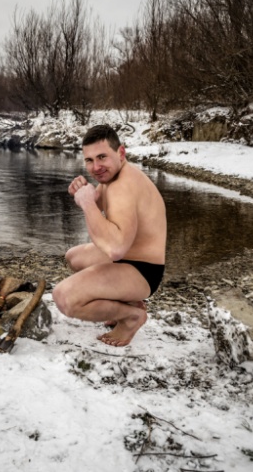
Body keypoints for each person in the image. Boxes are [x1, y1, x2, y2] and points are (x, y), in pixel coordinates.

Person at [52, 124, 167, 347]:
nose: (96, 167)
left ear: (121, 153)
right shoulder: (113, 177)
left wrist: (86, 203)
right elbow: (104, 207)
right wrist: (85, 193)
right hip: (128, 258)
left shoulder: (124, 186)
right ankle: (131, 303)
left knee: (64, 298)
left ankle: (132, 317)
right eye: (89, 160)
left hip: (143, 270)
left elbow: (115, 249)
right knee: (74, 257)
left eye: (102, 157)